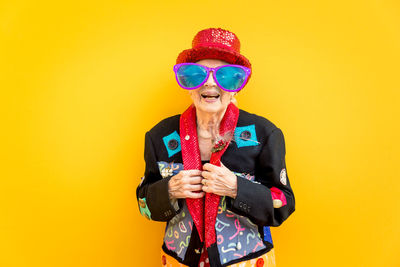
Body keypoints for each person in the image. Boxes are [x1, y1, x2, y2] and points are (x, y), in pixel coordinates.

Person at [136, 27, 295, 267]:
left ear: (237, 86)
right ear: (188, 83)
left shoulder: (264, 134)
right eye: (196, 74)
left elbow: (284, 204)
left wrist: (236, 188)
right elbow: (144, 203)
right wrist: (169, 190)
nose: (210, 82)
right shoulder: (159, 136)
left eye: (226, 75)